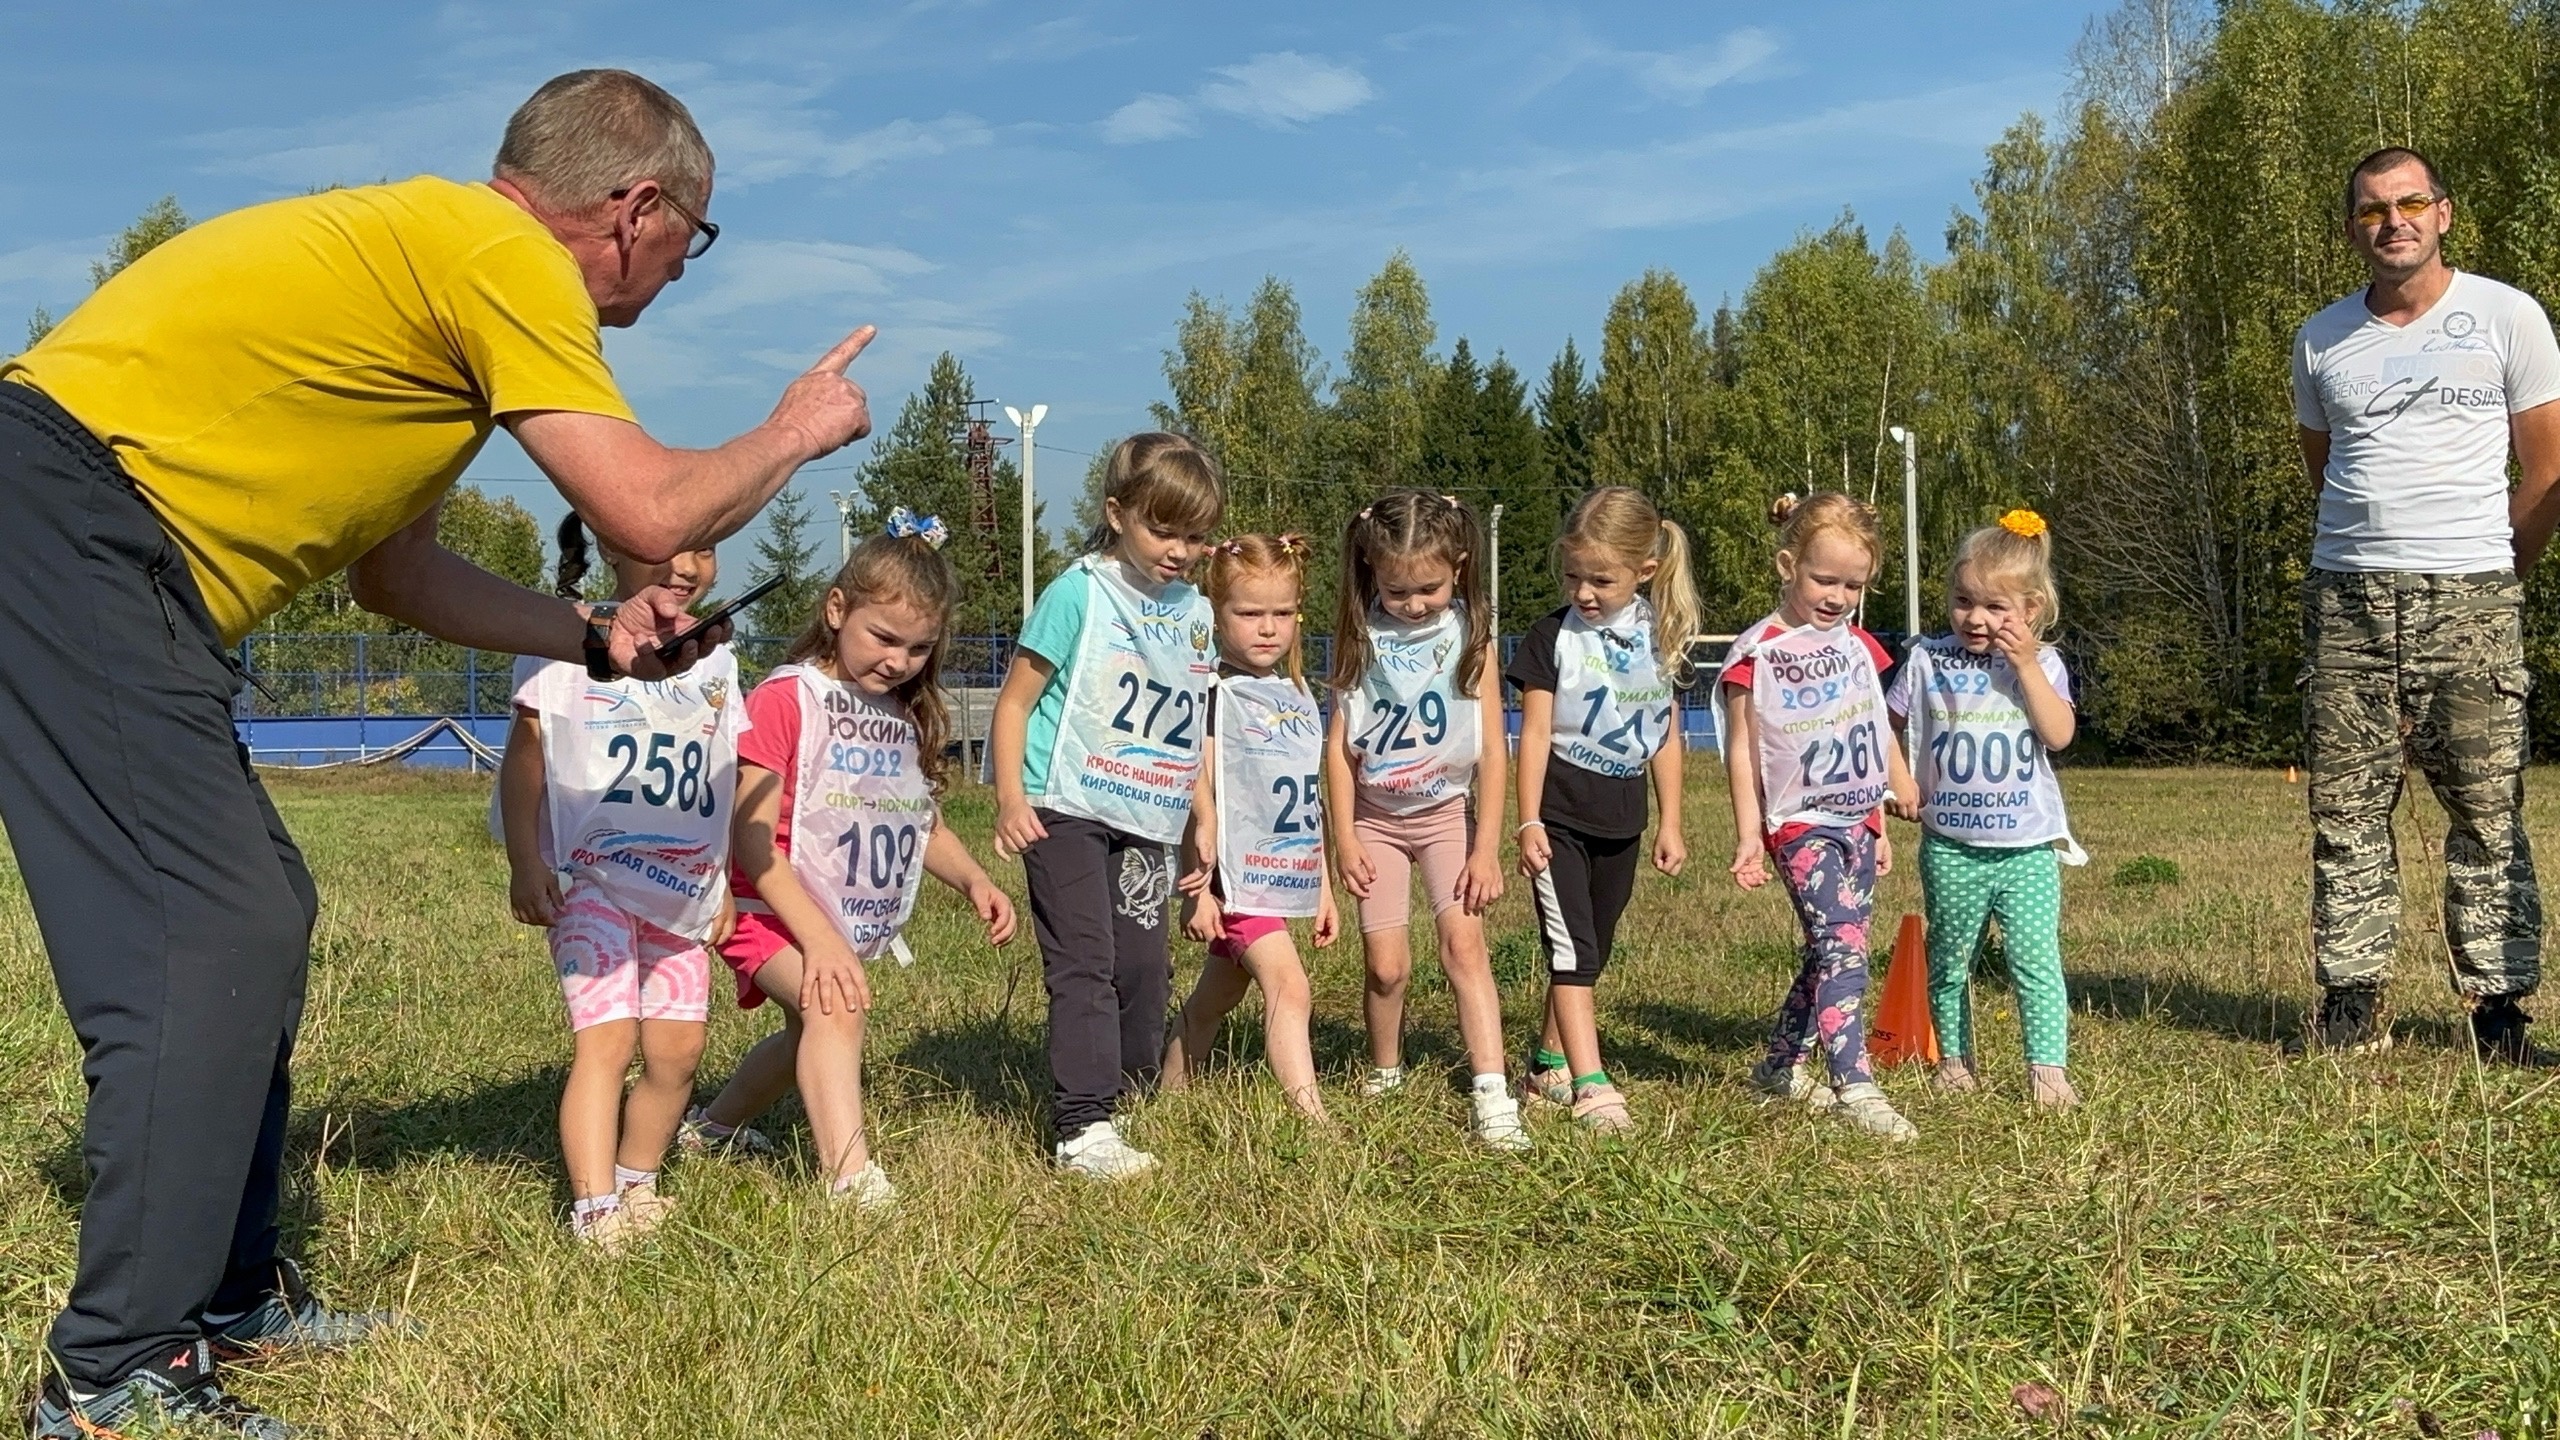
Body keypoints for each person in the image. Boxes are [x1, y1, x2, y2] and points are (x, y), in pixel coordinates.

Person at [0, 68, 876, 1437]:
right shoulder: (501, 256)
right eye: (688, 243)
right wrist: (794, 434)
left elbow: (394, 580)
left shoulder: (441, 289)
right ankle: (116, 1374)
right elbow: (647, 497)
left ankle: (226, 1299)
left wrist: (595, 635)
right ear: (635, 208)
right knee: (209, 934)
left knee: (257, 915)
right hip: (73, 528)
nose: (675, 274)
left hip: (99, 545)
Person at [2292, 146, 2560, 1062]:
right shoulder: (2321, 338)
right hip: (2348, 603)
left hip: (2473, 594)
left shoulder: (2506, 316)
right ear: (2353, 228)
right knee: (2347, 809)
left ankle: (2497, 1008)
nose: (2393, 221)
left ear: (2444, 212)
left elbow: (2549, 469)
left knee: (2487, 808)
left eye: (2411, 203)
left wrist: (2495, 571)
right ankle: (2352, 1002)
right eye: (2373, 210)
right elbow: (2324, 469)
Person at [688, 514, 1017, 1207]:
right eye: (884, 638)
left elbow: (917, 819)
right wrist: (817, 938)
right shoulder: (788, 698)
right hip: (762, 904)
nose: (898, 661)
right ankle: (850, 1178)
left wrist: (975, 880)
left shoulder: (896, 714)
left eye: (919, 648)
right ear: (837, 610)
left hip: (827, 912)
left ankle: (713, 1126)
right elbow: (749, 838)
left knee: (808, 1026)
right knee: (834, 1007)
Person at [497, 519, 744, 1248]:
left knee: (678, 1054)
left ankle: (639, 1182)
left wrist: (721, 876)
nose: (687, 566)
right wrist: (524, 860)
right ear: (609, 547)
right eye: (665, 547)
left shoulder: (717, 657)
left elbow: (720, 770)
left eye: (703, 548)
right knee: (606, 1044)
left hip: (682, 890)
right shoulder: (564, 640)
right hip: (590, 882)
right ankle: (593, 1207)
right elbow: (527, 759)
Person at [990, 435, 1224, 1179]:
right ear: (1117, 514)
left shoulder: (1197, 611)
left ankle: (1125, 1091)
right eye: (1164, 529)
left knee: (1145, 966)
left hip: (1148, 818)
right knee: (1085, 961)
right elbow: (1015, 701)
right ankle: (1081, 1125)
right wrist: (1008, 797)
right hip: (1065, 807)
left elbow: (1189, 719)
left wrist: (1202, 816)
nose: (1181, 550)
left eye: (1195, 534)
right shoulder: (1078, 593)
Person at [1324, 491, 1523, 1150]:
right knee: (1386, 967)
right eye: (1397, 589)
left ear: (1460, 568)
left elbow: (1494, 748)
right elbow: (1338, 745)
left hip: (1446, 817)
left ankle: (1492, 1093)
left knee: (1463, 948)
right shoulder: (1360, 635)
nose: (1414, 603)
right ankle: (1385, 1073)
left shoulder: (1471, 634)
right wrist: (1345, 834)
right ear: (1371, 574)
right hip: (1377, 819)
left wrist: (1486, 847)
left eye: (1429, 588)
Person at [1721, 493, 1922, 1143]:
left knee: (1828, 949)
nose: (1837, 596)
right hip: (1797, 822)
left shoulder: (1860, 647)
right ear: (1788, 564)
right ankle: (1853, 1080)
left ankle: (1780, 1064)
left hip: (1857, 823)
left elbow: (1873, 729)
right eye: (1824, 579)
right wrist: (1750, 834)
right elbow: (1740, 748)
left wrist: (1890, 805)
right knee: (1845, 945)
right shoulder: (1761, 652)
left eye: (1853, 585)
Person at [1507, 487, 1698, 1134]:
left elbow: (1665, 733)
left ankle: (1546, 1065)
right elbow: (1532, 734)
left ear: (1644, 569)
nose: (1584, 592)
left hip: (1624, 816)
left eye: (1601, 579)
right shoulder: (1550, 637)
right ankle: (1592, 1085)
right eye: (1573, 576)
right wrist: (1528, 818)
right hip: (1559, 812)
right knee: (1573, 952)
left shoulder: (1661, 636)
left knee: (1593, 950)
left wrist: (1670, 819)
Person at [1886, 510, 2083, 1109]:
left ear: (2031, 609)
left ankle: (2048, 1073)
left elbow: (2060, 735)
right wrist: (1899, 783)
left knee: (2036, 963)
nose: (1976, 618)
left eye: (1996, 607)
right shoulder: (1926, 659)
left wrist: (2023, 665)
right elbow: (1886, 722)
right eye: (1964, 601)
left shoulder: (2043, 664)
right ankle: (1956, 1061)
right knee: (1950, 961)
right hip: (1951, 844)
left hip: (2026, 848)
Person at [1163, 535, 1341, 1121]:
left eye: (1282, 614)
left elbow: (1305, 801)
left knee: (1212, 1003)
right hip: (1234, 887)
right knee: (1290, 988)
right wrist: (1198, 891)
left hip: (1283, 877)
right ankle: (1313, 1124)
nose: (1268, 628)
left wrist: (1322, 889)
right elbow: (1197, 793)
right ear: (1216, 615)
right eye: (1249, 613)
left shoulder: (1295, 693)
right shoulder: (1214, 694)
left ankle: (1168, 1099)